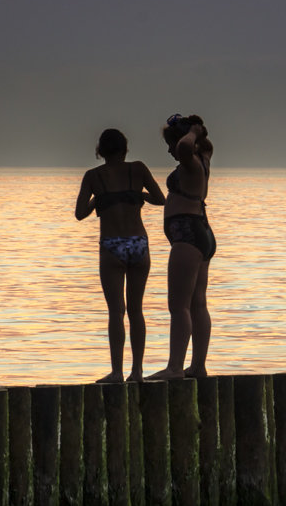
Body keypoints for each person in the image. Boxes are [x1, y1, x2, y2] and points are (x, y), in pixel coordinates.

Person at [75, 128, 165, 383]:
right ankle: (137, 371)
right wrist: (138, 196)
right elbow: (161, 199)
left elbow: (80, 213)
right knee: (136, 310)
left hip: (111, 245)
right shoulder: (138, 169)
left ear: (100, 151)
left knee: (116, 311)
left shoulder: (93, 176)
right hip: (138, 242)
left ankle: (116, 371)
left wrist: (100, 201)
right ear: (126, 149)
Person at [148, 114, 215, 380]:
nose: (170, 150)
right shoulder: (204, 159)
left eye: (171, 143)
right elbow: (205, 146)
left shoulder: (190, 161)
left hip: (188, 234)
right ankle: (197, 366)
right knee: (197, 303)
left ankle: (175, 367)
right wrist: (197, 134)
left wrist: (193, 132)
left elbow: (185, 147)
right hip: (201, 233)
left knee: (179, 305)